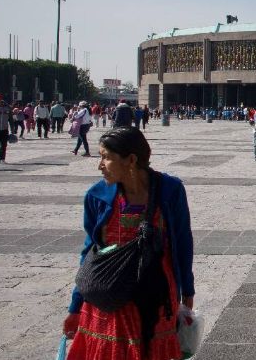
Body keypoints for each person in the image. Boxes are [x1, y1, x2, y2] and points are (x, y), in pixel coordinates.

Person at [62, 127, 195, 359]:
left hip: (156, 293)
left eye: (106, 157)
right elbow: (90, 254)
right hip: (110, 297)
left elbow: (182, 242)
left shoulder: (170, 190)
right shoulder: (97, 196)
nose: (100, 165)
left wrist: (187, 290)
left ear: (131, 160)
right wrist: (76, 305)